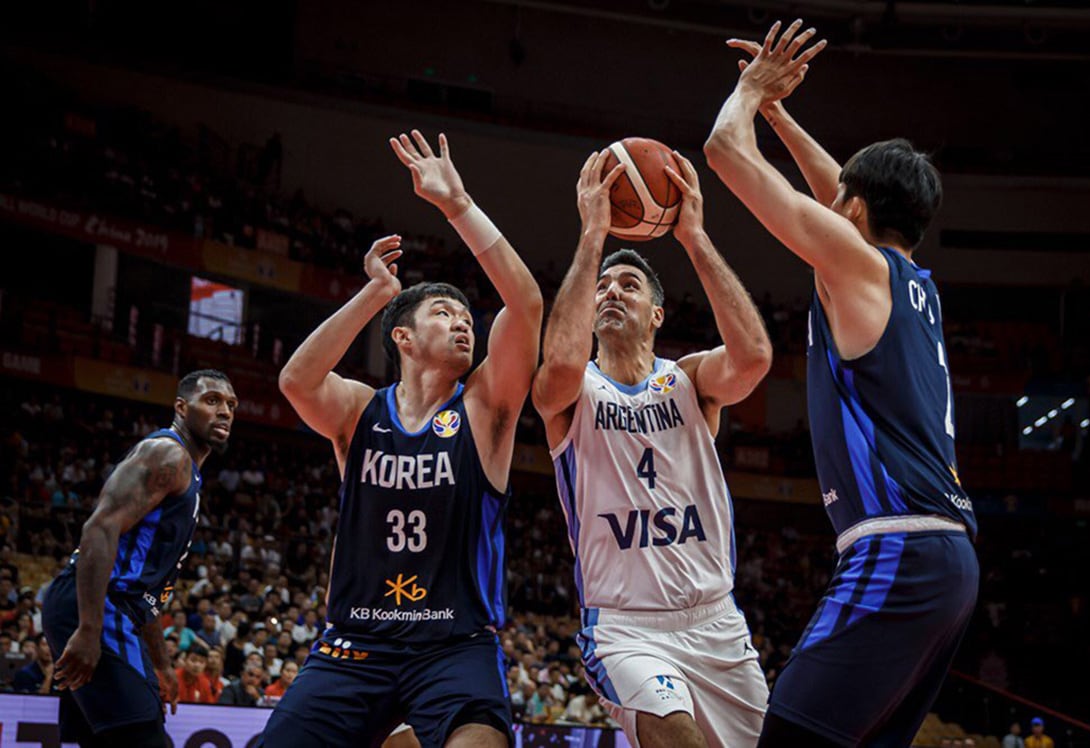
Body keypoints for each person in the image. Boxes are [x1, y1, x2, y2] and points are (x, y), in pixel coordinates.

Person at [704, 19, 980, 747]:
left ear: (855, 210)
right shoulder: (914, 280)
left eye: (843, 197)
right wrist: (783, 117)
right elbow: (842, 191)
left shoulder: (856, 268)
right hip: (948, 557)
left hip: (898, 548)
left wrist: (749, 92)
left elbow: (723, 154)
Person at [262, 129, 542, 748]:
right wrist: (376, 293)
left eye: (467, 318)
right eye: (444, 313)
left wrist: (457, 205)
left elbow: (524, 306)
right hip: (355, 642)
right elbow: (297, 380)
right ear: (404, 338)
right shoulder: (361, 410)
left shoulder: (486, 407)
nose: (462, 322)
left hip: (453, 643)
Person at [532, 145, 773, 746]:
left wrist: (693, 237)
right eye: (604, 287)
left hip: (717, 622)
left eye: (630, 285)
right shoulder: (573, 391)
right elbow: (558, 361)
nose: (612, 293)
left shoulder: (690, 379)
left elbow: (754, 358)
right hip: (625, 629)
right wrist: (592, 236)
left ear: (658, 313)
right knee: (676, 735)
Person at [41, 370, 237, 748]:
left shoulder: (188, 473)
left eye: (231, 404)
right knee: (145, 737)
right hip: (99, 604)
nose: (225, 411)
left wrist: (162, 664)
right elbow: (98, 529)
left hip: (114, 607)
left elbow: (147, 594)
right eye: (211, 401)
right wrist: (89, 627)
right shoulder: (168, 454)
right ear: (181, 407)